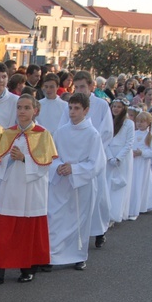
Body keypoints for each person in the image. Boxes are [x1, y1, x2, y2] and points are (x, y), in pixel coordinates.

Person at [0, 94, 57, 284]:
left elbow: (45, 164)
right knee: (3, 230)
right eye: (19, 107)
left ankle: (28, 268)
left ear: (35, 111)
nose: (22, 111)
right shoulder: (8, 133)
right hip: (10, 187)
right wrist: (9, 158)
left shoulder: (43, 134)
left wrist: (24, 158)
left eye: (26, 107)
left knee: (28, 230)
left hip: (31, 189)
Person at [48, 93, 106, 271]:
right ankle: (53, 255)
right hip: (61, 182)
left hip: (81, 183)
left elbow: (96, 163)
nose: (72, 112)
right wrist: (58, 166)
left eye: (77, 108)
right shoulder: (61, 131)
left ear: (86, 110)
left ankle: (78, 256)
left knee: (79, 221)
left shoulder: (92, 134)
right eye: (70, 108)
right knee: (56, 218)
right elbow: (53, 155)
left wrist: (74, 169)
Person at [59, 71, 114, 249]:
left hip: (93, 157)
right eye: (77, 87)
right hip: (72, 157)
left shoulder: (101, 105)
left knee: (97, 197)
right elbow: (62, 128)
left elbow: (106, 132)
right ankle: (72, 236)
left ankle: (98, 231)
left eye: (83, 86)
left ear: (91, 86)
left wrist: (91, 150)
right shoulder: (72, 105)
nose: (80, 90)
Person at [127, 112, 152, 220]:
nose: (139, 124)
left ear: (148, 123)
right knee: (131, 184)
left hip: (142, 164)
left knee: (139, 184)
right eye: (137, 121)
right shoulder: (133, 133)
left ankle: (135, 209)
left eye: (142, 122)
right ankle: (129, 207)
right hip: (132, 162)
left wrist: (141, 152)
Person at [105, 98, 134, 225]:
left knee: (119, 185)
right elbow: (104, 140)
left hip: (122, 157)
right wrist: (110, 157)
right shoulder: (108, 122)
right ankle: (107, 212)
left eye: (119, 107)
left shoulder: (129, 124)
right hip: (109, 156)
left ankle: (115, 214)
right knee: (108, 185)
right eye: (114, 106)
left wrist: (118, 157)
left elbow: (129, 143)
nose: (115, 109)